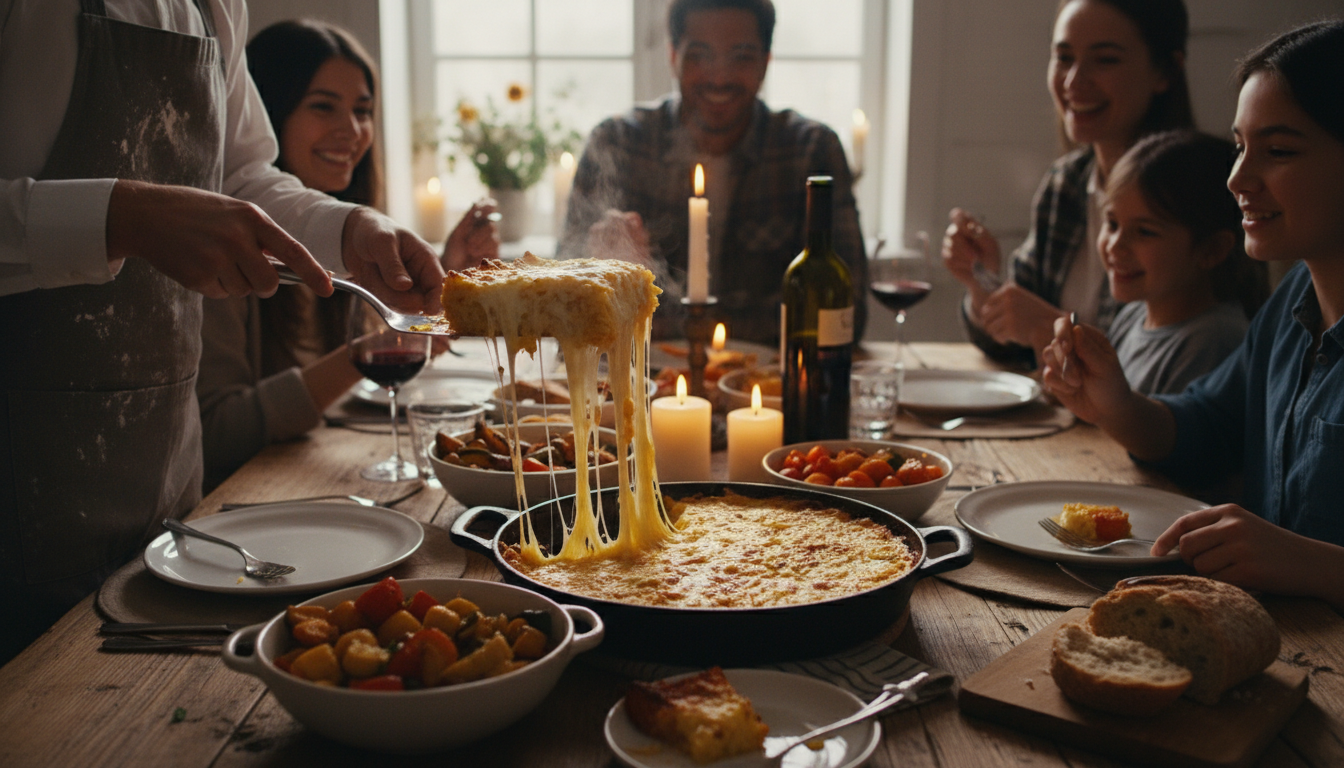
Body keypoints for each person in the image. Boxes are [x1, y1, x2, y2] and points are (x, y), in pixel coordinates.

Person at [0, 0, 445, 661]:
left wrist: (349, 229)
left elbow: (242, 174)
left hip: (171, 481)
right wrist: (122, 216)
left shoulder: (215, 5)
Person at [1040, 20, 1344, 610]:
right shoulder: (1290, 305)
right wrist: (1118, 405)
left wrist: (1315, 564)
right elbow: (1207, 426)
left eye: (1278, 151)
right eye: (1239, 147)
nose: (1237, 179)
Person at [196, 19, 498, 491]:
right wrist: (368, 353)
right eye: (323, 107)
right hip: (248, 502)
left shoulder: (345, 232)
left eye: (363, 111)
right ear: (265, 118)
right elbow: (216, 434)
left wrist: (443, 278)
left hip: (317, 475)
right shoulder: (223, 249)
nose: (352, 131)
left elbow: (372, 341)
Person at [558, 0, 866, 344]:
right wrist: (604, 271)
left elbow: (847, 311)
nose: (719, 77)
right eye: (700, 55)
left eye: (742, 57)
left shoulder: (810, 150)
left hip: (767, 386)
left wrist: (674, 322)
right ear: (673, 56)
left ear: (766, 62)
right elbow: (565, 305)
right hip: (642, 383)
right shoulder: (618, 143)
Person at [942, 0, 1194, 368]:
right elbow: (1014, 344)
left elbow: (1158, 374)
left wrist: (1050, 326)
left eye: (1105, 59)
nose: (1074, 81)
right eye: (1063, 58)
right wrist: (982, 282)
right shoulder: (1066, 184)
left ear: (1165, 72)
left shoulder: (1193, 199)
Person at [1095, 130, 1267, 395]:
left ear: (1212, 250)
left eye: (1145, 231)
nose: (1115, 245)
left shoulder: (1212, 341)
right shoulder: (1134, 314)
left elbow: (1162, 436)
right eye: (1112, 223)